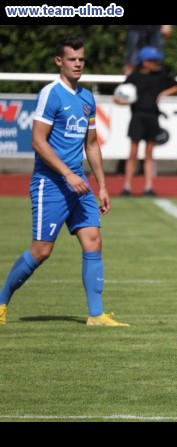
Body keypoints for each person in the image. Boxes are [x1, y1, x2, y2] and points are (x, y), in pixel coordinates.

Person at [0, 36, 128, 327]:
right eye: (72, 59)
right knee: (42, 250)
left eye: (81, 59)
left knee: (93, 241)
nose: (78, 63)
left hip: (79, 185)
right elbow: (37, 141)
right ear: (60, 61)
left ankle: (96, 315)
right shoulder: (51, 93)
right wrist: (67, 174)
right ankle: (1, 301)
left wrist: (103, 185)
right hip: (51, 184)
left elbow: (92, 144)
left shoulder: (86, 97)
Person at [115, 46, 177, 197]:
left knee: (149, 154)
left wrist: (164, 93)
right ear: (144, 62)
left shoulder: (161, 76)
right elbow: (118, 95)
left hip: (153, 116)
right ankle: (127, 186)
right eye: (153, 60)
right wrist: (121, 101)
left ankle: (148, 187)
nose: (156, 62)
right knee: (133, 153)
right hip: (137, 116)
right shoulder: (134, 77)